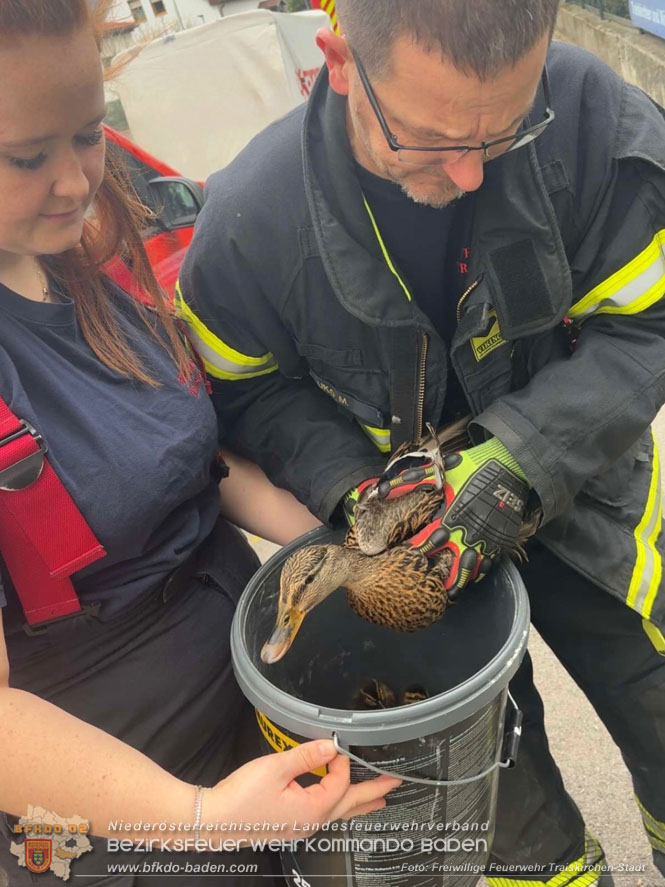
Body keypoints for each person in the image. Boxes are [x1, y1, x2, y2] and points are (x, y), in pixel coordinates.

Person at [177, 0, 665, 883]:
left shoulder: (594, 122)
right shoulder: (248, 229)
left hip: (587, 501)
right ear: (336, 60)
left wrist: (523, 456)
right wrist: (350, 487)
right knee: (496, 799)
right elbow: (247, 391)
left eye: (504, 131)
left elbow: (646, 324)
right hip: (403, 564)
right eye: (433, 138)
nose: (471, 173)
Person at [0, 2, 401, 885]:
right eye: (27, 157)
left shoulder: (88, 258)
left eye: (89, 134)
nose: (74, 181)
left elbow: (189, 466)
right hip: (113, 800)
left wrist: (343, 542)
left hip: (249, 699)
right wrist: (199, 819)